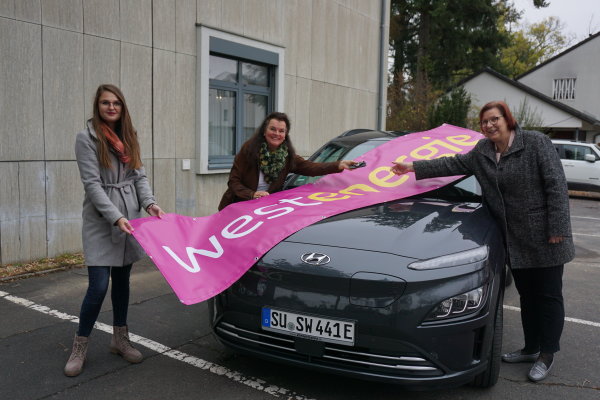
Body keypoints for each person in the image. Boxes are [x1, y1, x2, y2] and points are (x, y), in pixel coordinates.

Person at [390, 101, 574, 383]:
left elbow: (556, 186)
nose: (489, 125)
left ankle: (547, 354)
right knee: (527, 296)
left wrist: (558, 228)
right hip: (513, 239)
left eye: (494, 119)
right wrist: (411, 167)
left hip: (545, 235)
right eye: (484, 121)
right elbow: (450, 163)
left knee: (548, 296)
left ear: (507, 119)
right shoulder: (484, 152)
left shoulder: (536, 143)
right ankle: (530, 348)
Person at [65, 84, 165, 377]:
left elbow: (139, 175)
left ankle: (119, 339)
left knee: (122, 281)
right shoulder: (86, 138)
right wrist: (115, 216)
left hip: (130, 216)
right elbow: (92, 184)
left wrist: (149, 203)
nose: (111, 107)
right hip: (101, 218)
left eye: (116, 103)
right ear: (97, 106)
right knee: (98, 285)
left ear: (122, 108)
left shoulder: (129, 136)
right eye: (106, 103)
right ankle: (80, 344)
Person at [218, 112, 359, 210]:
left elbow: (310, 167)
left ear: (285, 135)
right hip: (238, 205)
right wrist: (252, 194)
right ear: (264, 131)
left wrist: (339, 164)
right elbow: (233, 182)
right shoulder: (248, 150)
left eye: (281, 131)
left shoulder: (286, 156)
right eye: (273, 129)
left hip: (264, 208)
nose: (277, 134)